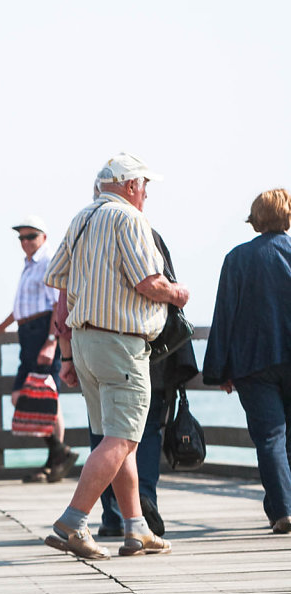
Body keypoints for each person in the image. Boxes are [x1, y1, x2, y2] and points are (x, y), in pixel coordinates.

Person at [42, 152, 189, 560]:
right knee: (122, 437)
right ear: (129, 185)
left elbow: (60, 293)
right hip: (122, 342)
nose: (146, 195)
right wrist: (178, 293)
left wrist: (67, 356)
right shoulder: (130, 219)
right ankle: (72, 521)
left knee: (117, 438)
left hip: (86, 343)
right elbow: (148, 281)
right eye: (144, 187)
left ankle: (136, 528)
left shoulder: (82, 218)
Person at [203, 188, 291, 534]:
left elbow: (225, 315)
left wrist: (220, 369)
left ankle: (283, 509)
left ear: (255, 218)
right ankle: (282, 504)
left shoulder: (236, 259)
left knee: (270, 437)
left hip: (253, 363)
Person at [0, 215, 76, 483]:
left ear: (44, 238)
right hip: (28, 332)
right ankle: (58, 453)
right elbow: (20, 306)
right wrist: (0, 328)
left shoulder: (47, 262)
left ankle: (54, 461)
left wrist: (50, 341)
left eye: (31, 236)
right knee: (20, 395)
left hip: (43, 333)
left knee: (46, 395)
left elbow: (55, 305)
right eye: (22, 238)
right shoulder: (29, 265)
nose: (25, 242)